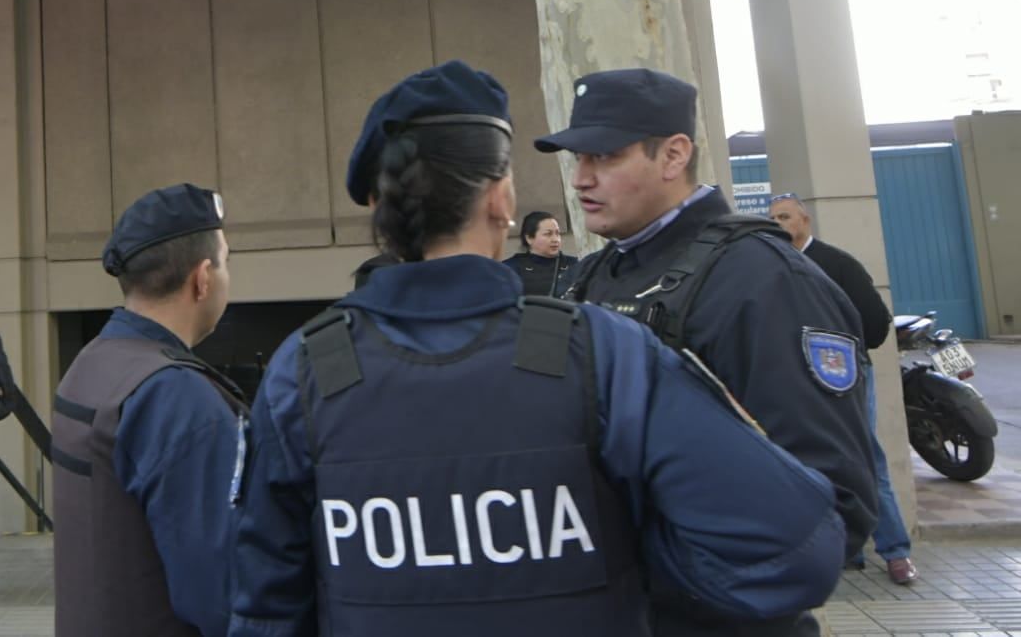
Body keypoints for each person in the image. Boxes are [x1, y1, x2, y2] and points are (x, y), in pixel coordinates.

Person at [229, 61, 847, 637]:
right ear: (502, 200)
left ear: (375, 206)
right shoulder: (603, 350)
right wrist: (625, 556)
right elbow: (797, 550)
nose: (582, 177)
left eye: (601, 155)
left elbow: (264, 605)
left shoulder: (301, 369)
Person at [539, 68, 878, 637]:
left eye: (604, 157)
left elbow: (835, 510)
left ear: (673, 155)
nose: (580, 179)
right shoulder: (593, 274)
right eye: (577, 160)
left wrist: (634, 563)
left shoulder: (764, 281)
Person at [52, 184, 249, 637]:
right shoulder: (181, 400)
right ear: (202, 278)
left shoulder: (92, 363)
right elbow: (224, 598)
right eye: (226, 260)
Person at [770, 192, 916, 585]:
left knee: (866, 457)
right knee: (806, 458)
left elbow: (875, 321)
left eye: (785, 216)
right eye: (773, 218)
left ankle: (896, 551)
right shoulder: (768, 267)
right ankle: (843, 549)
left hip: (843, 376)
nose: (779, 223)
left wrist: (844, 354)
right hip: (794, 380)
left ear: (805, 220)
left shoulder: (838, 264)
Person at [503, 210, 580, 297]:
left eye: (557, 233)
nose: (555, 239)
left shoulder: (575, 264)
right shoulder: (511, 268)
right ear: (529, 238)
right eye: (548, 234)